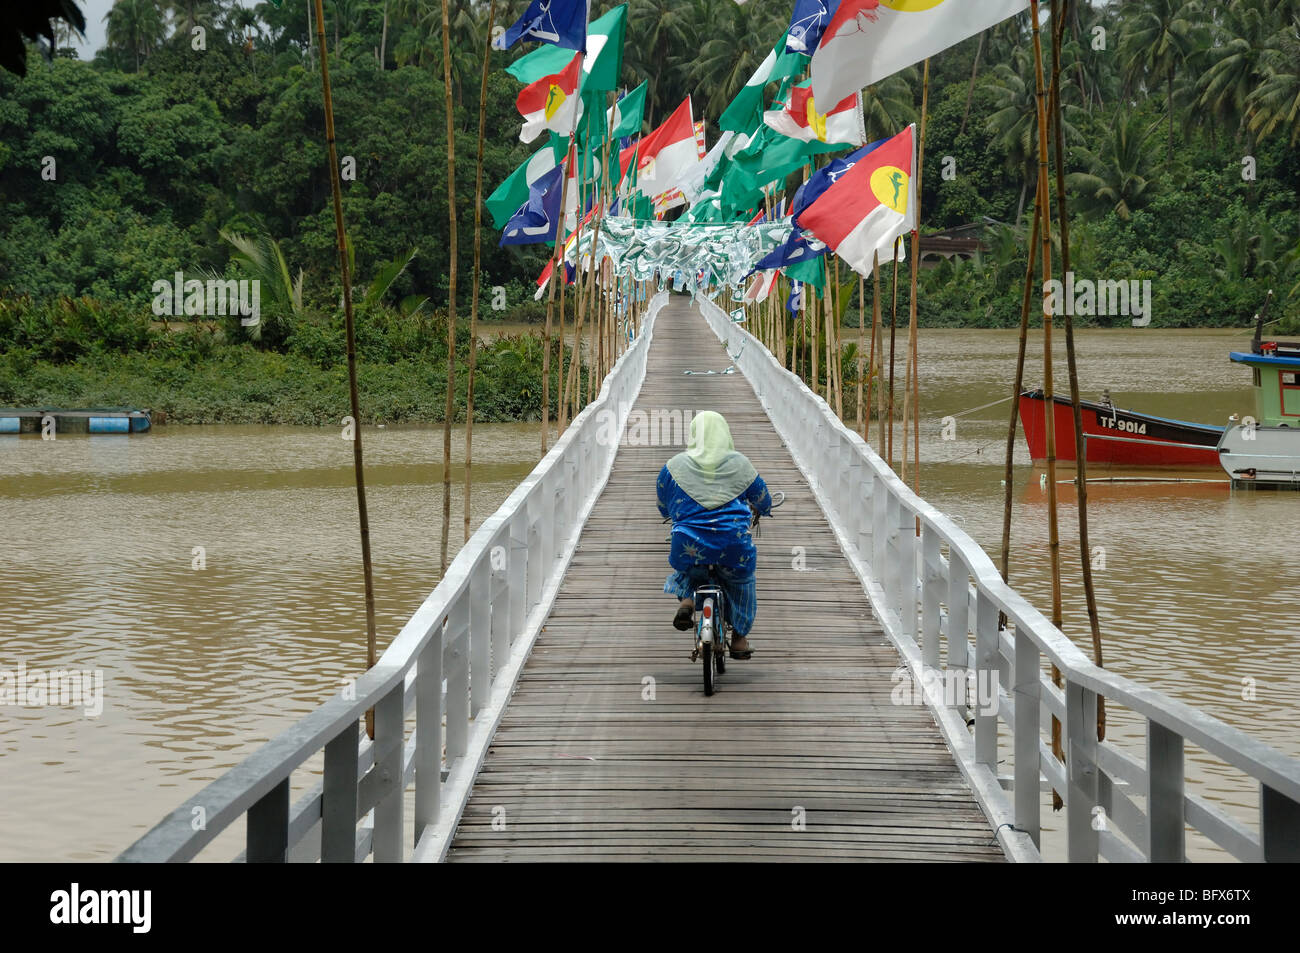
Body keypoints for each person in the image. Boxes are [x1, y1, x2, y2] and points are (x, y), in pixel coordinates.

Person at [656, 411, 772, 659]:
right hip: (732, 546)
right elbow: (762, 498)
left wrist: (671, 511)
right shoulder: (740, 464)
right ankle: (739, 638)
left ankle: (687, 601)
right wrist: (764, 509)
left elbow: (662, 502)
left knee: (687, 568)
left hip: (689, 542)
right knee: (742, 582)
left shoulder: (673, 467)